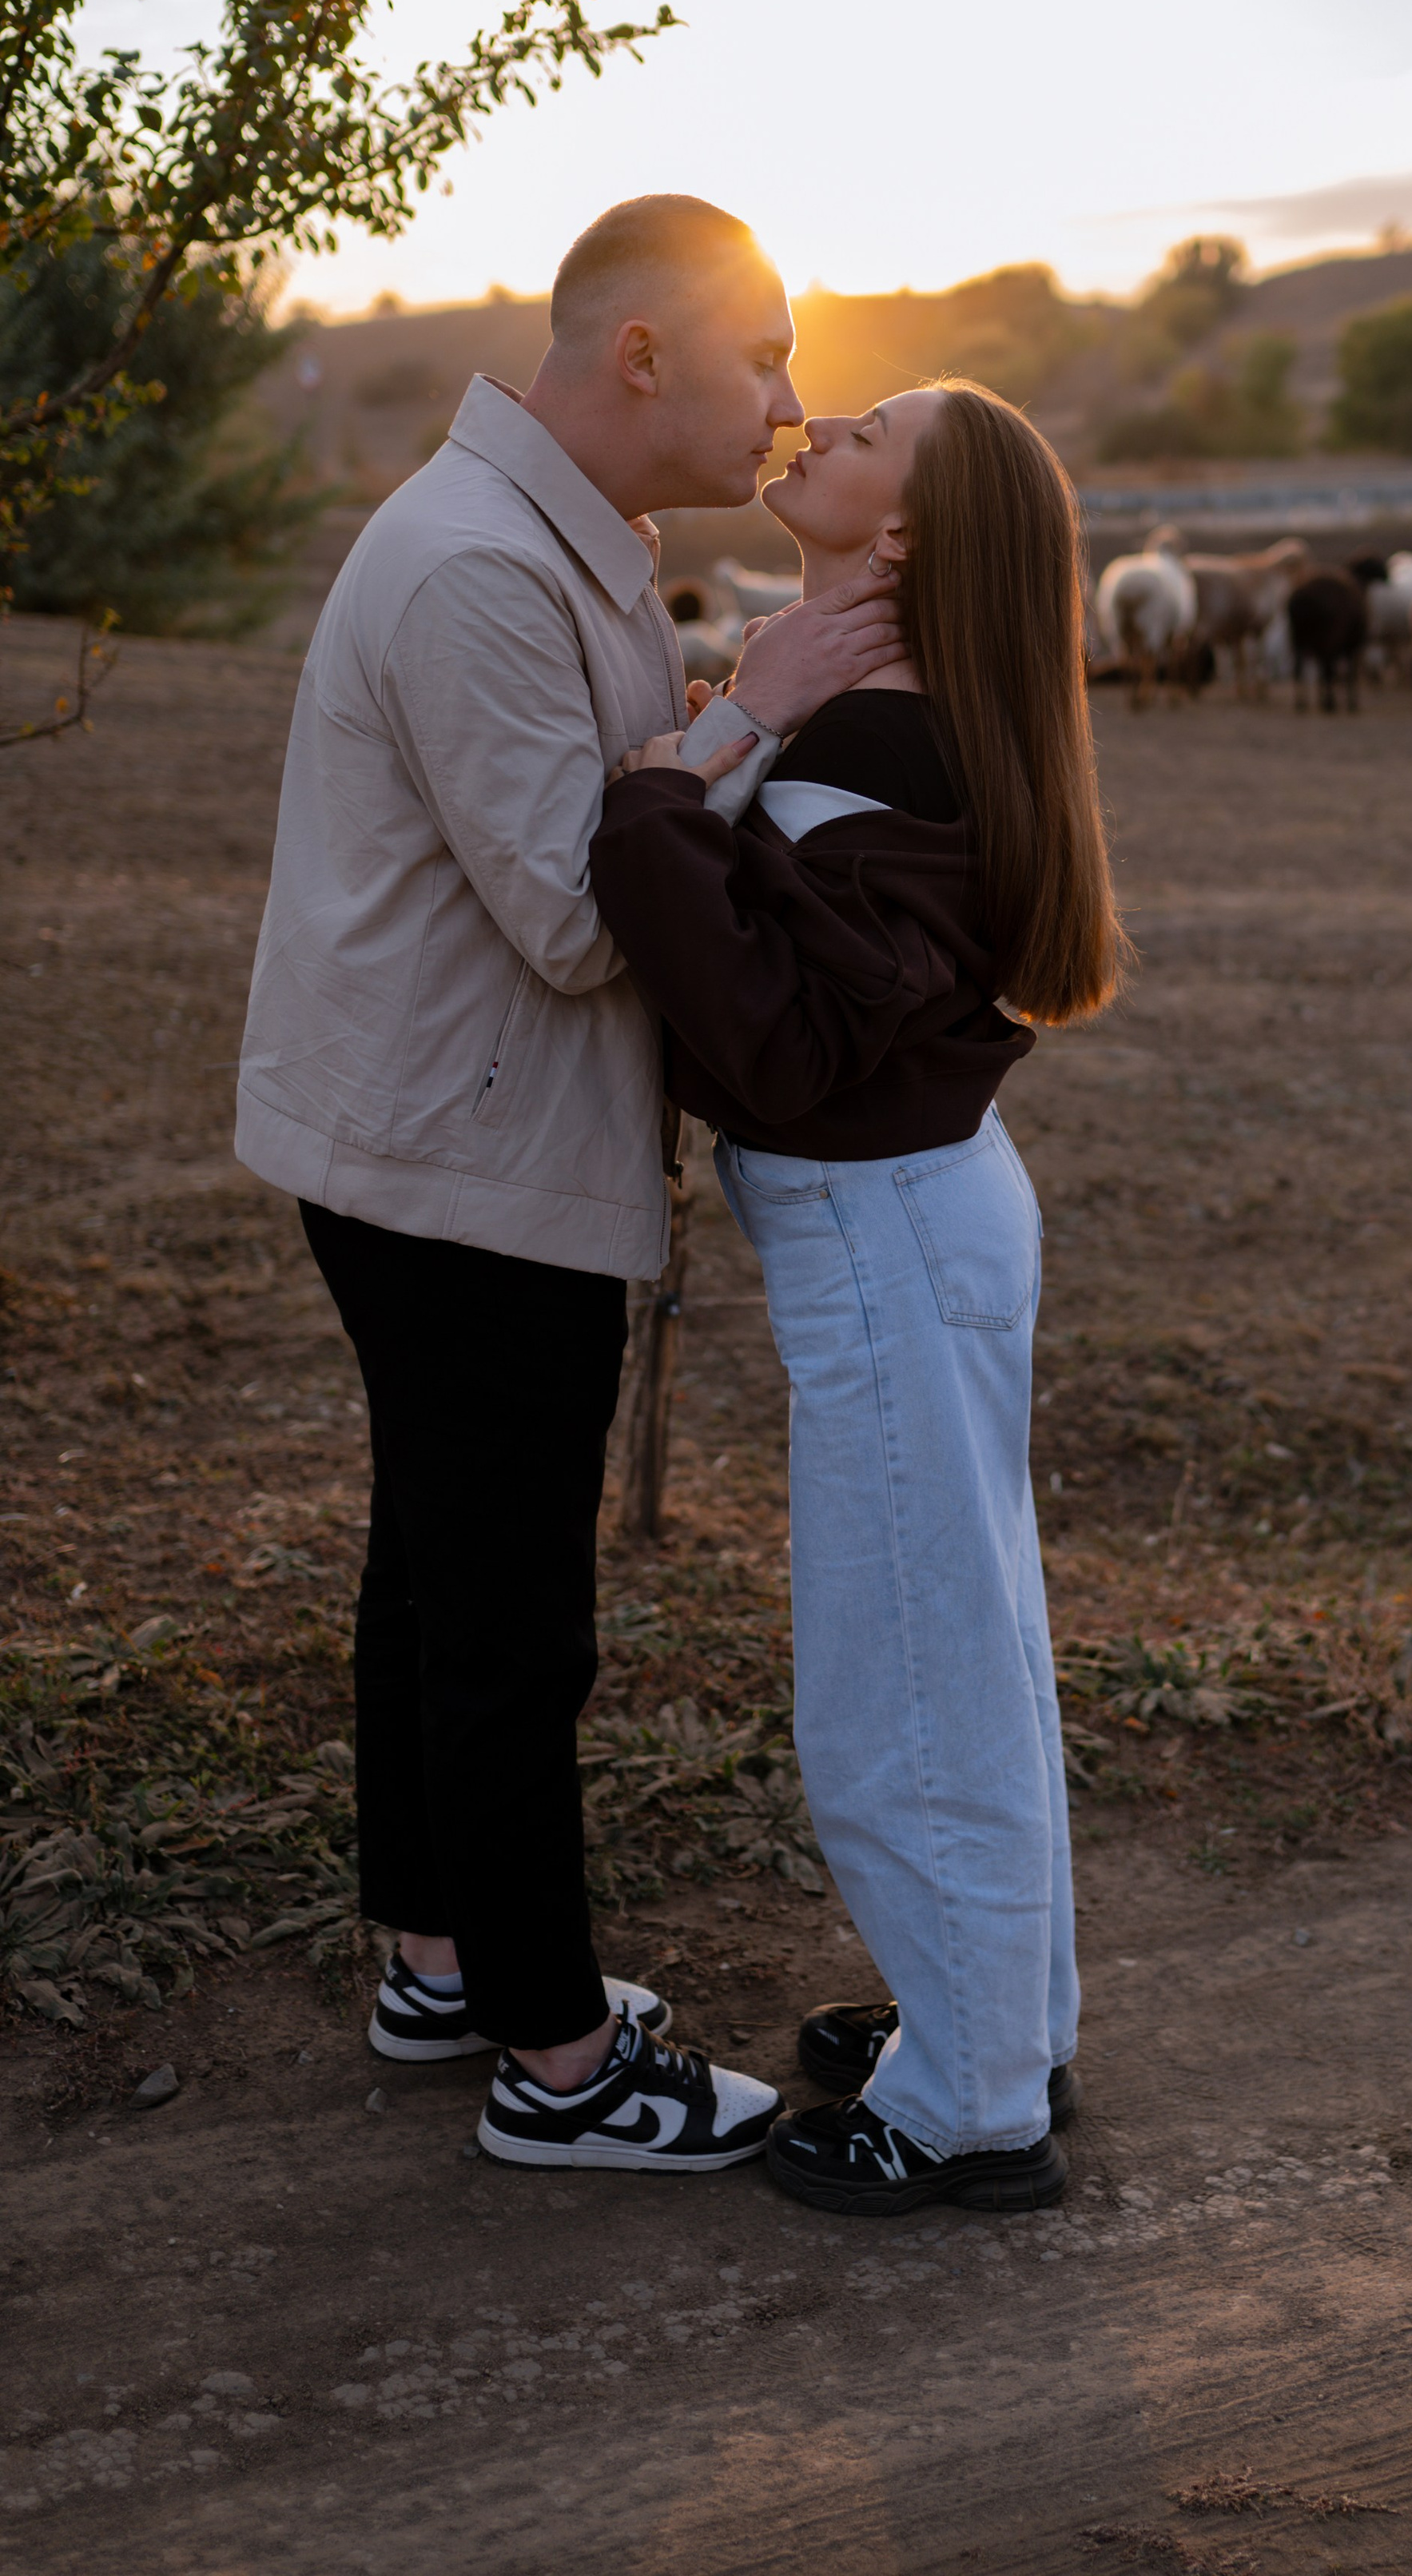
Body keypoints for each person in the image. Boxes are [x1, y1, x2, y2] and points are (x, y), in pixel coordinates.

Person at [235, 195, 904, 2173]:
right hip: (458, 1158)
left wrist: (711, 717)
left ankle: (444, 1957)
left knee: (431, 1572)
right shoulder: (465, 566)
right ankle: (552, 2059)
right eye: (764, 354)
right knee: (509, 1613)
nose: (786, 402)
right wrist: (757, 703)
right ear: (641, 355)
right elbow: (570, 907)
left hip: (443, 1132)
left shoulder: (561, 534)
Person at [589, 377, 1124, 2216]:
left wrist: (675, 775)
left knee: (904, 1671)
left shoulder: (884, 736)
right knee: (965, 1638)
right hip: (918, 1213)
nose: (813, 427)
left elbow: (774, 1036)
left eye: (865, 431)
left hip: (883, 1221)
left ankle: (971, 2100)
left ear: (902, 534)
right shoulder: (887, 708)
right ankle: (1000, 2016)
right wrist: (753, 702)